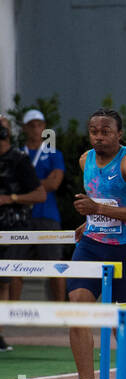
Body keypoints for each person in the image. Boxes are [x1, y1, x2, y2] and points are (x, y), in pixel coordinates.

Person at [66, 109, 126, 379]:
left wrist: (97, 210)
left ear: (119, 134)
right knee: (77, 314)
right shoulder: (85, 161)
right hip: (90, 247)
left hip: (124, 250)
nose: (99, 136)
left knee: (123, 331)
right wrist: (90, 220)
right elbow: (106, 202)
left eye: (106, 131)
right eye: (94, 131)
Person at [0, 115, 47, 353]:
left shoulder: (19, 159)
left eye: (3, 127)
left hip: (13, 227)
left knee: (4, 281)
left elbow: (40, 194)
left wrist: (11, 199)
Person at [12, 109, 67, 308]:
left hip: (47, 215)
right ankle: (12, 313)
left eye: (40, 125)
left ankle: (60, 312)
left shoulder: (53, 153)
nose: (36, 129)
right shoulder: (16, 154)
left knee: (55, 265)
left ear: (44, 127)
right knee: (14, 265)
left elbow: (55, 183)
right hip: (19, 217)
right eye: (32, 125)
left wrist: (26, 187)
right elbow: (11, 183)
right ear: (25, 128)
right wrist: (36, 187)